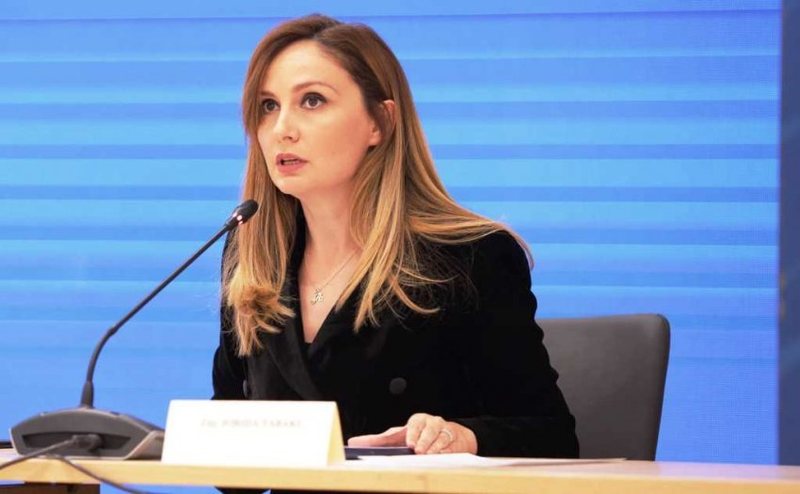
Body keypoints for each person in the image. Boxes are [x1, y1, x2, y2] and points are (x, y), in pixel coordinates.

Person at [212, 13, 579, 462]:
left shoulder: (467, 258)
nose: (282, 128)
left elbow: (551, 436)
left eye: (312, 100)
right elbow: (230, 465)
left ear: (380, 123)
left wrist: (460, 437)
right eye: (268, 106)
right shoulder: (251, 256)